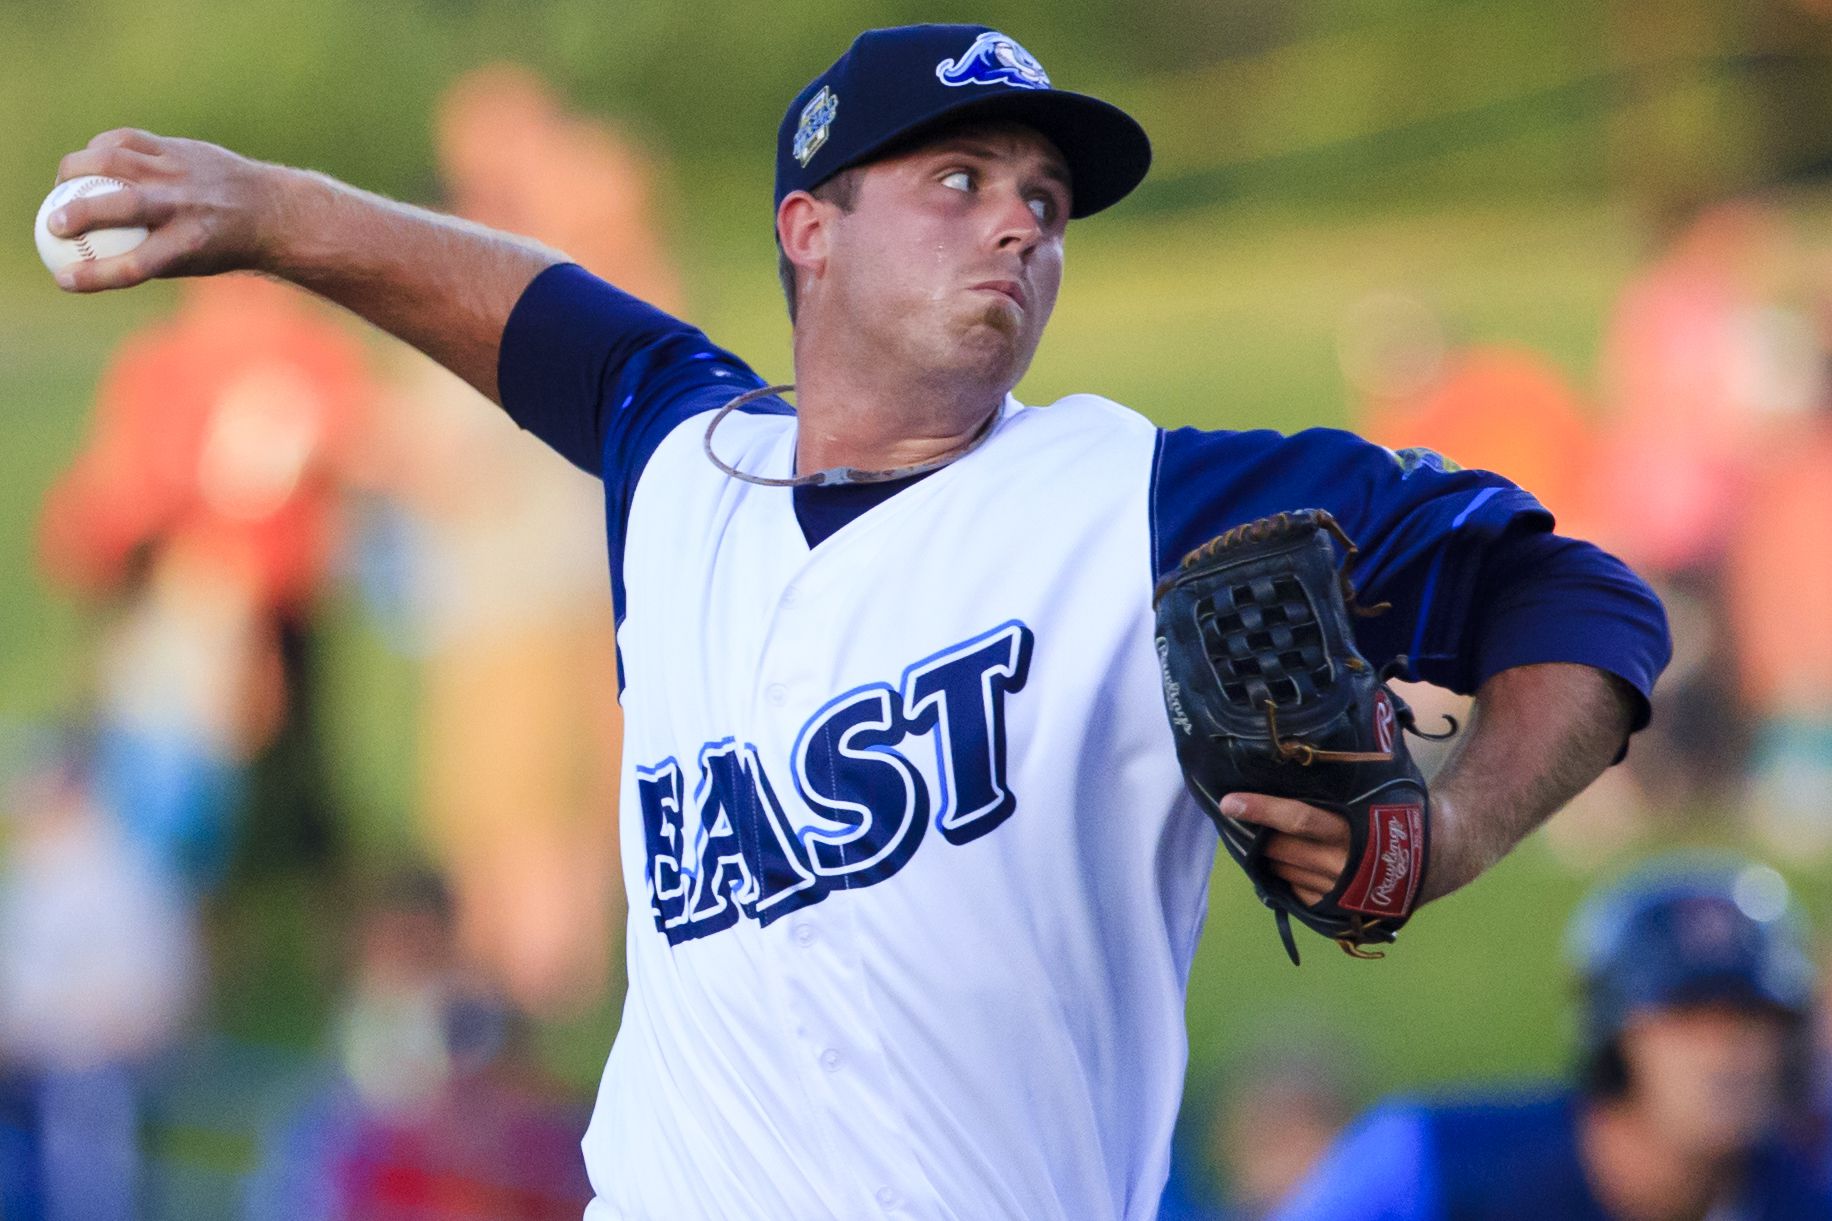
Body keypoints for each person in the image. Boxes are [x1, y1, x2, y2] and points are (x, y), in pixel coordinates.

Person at [45, 23, 1669, 1219]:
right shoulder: (681, 459)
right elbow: (525, 314)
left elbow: (1584, 600)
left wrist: (1451, 831)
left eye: (1041, 195)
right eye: (957, 178)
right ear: (806, 230)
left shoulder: (1155, 500)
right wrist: (271, 211)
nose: (1020, 221)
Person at [1275, 857, 1831, 1220]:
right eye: (1686, 1019)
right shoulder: (1430, 1160)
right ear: (1616, 1037)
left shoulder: (1805, 1197)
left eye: (1752, 1019)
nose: (1726, 1054)